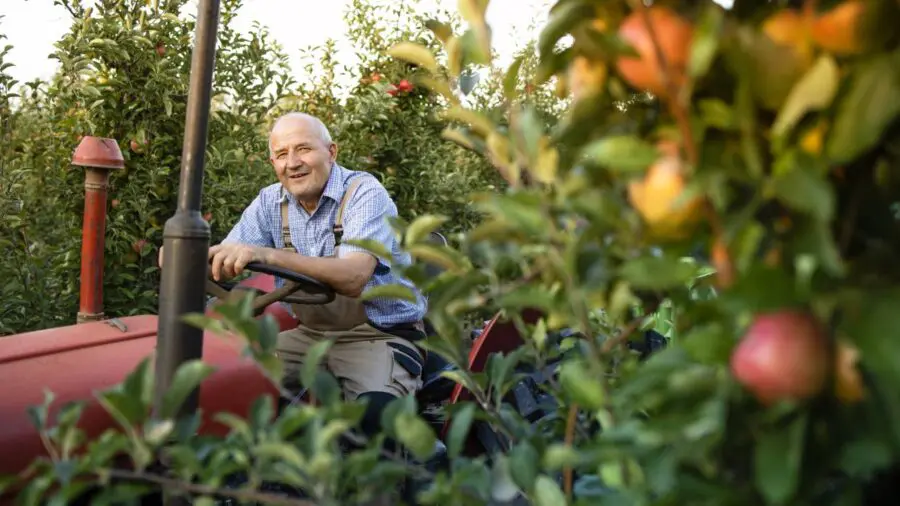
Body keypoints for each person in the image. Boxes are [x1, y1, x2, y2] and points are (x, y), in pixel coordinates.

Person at [172, 112, 429, 440]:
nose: (292, 163)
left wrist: (267, 254)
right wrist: (184, 255)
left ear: (331, 152)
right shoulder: (270, 201)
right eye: (281, 155)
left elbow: (354, 276)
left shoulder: (364, 193)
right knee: (224, 383)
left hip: (379, 336)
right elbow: (228, 252)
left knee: (375, 418)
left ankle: (394, 482)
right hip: (309, 335)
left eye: (303, 149)